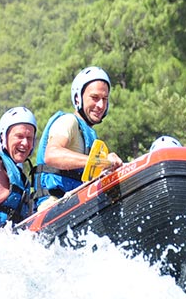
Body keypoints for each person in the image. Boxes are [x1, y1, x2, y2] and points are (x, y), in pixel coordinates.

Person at [33, 66, 123, 207]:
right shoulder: (68, 121)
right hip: (52, 204)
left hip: (75, 203)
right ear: (78, 97)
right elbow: (51, 154)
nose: (100, 105)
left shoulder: (90, 136)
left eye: (104, 99)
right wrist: (102, 162)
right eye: (94, 98)